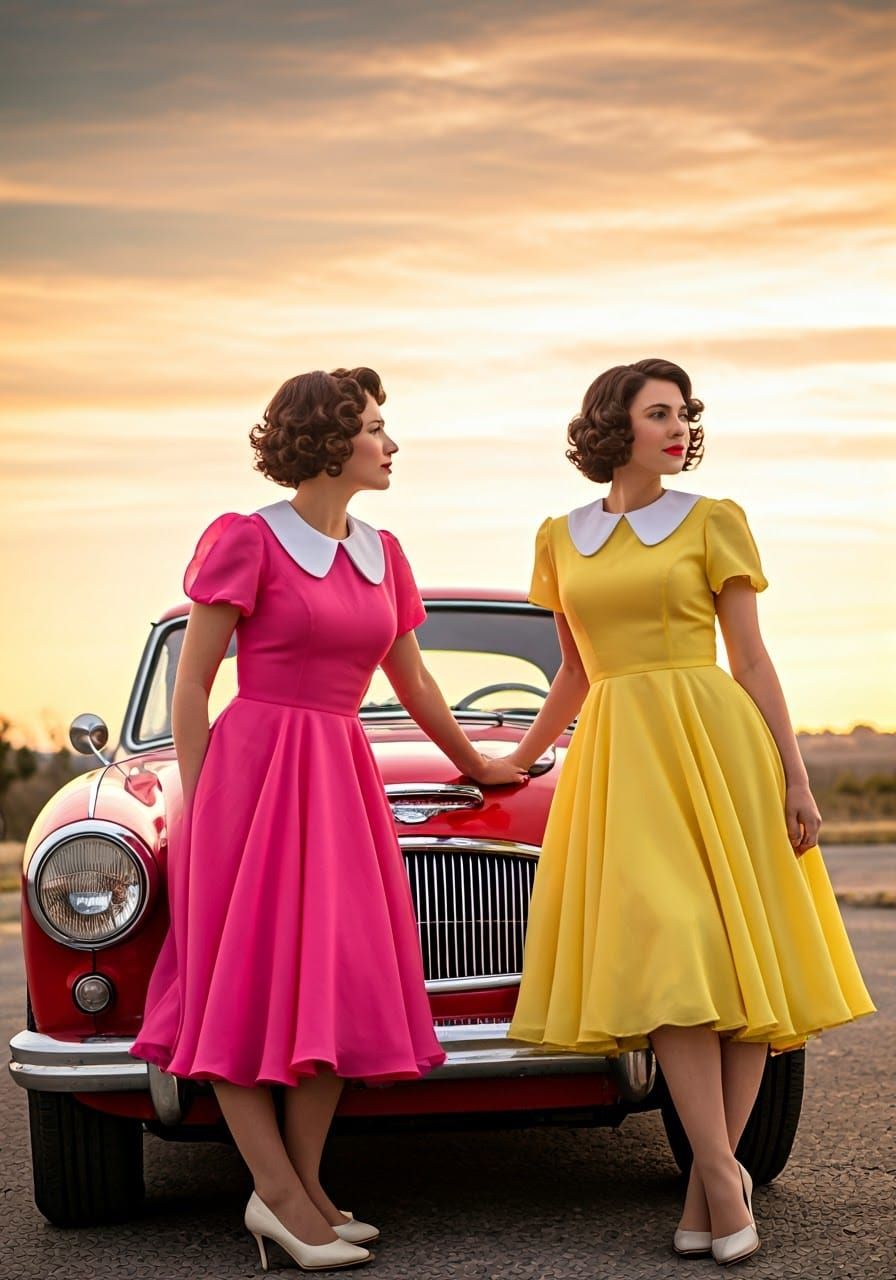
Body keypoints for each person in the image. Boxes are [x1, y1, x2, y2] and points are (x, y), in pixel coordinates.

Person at [131, 367, 526, 1272]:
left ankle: (300, 1195)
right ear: (326, 441)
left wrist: (480, 765)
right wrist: (206, 800)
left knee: (338, 984)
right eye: (376, 428)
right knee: (237, 989)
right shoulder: (246, 539)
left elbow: (413, 679)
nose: (391, 445)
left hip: (340, 777)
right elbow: (194, 684)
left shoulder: (386, 552)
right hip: (253, 778)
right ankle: (277, 1196)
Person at [503, 358, 875, 1266]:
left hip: (718, 750)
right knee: (671, 946)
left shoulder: (715, 520)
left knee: (740, 969)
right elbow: (577, 671)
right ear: (612, 426)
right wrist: (511, 761)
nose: (678, 428)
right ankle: (720, 1175)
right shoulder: (560, 536)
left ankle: (713, 1182)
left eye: (684, 414)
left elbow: (750, 660)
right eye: (658, 413)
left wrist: (796, 777)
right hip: (619, 761)